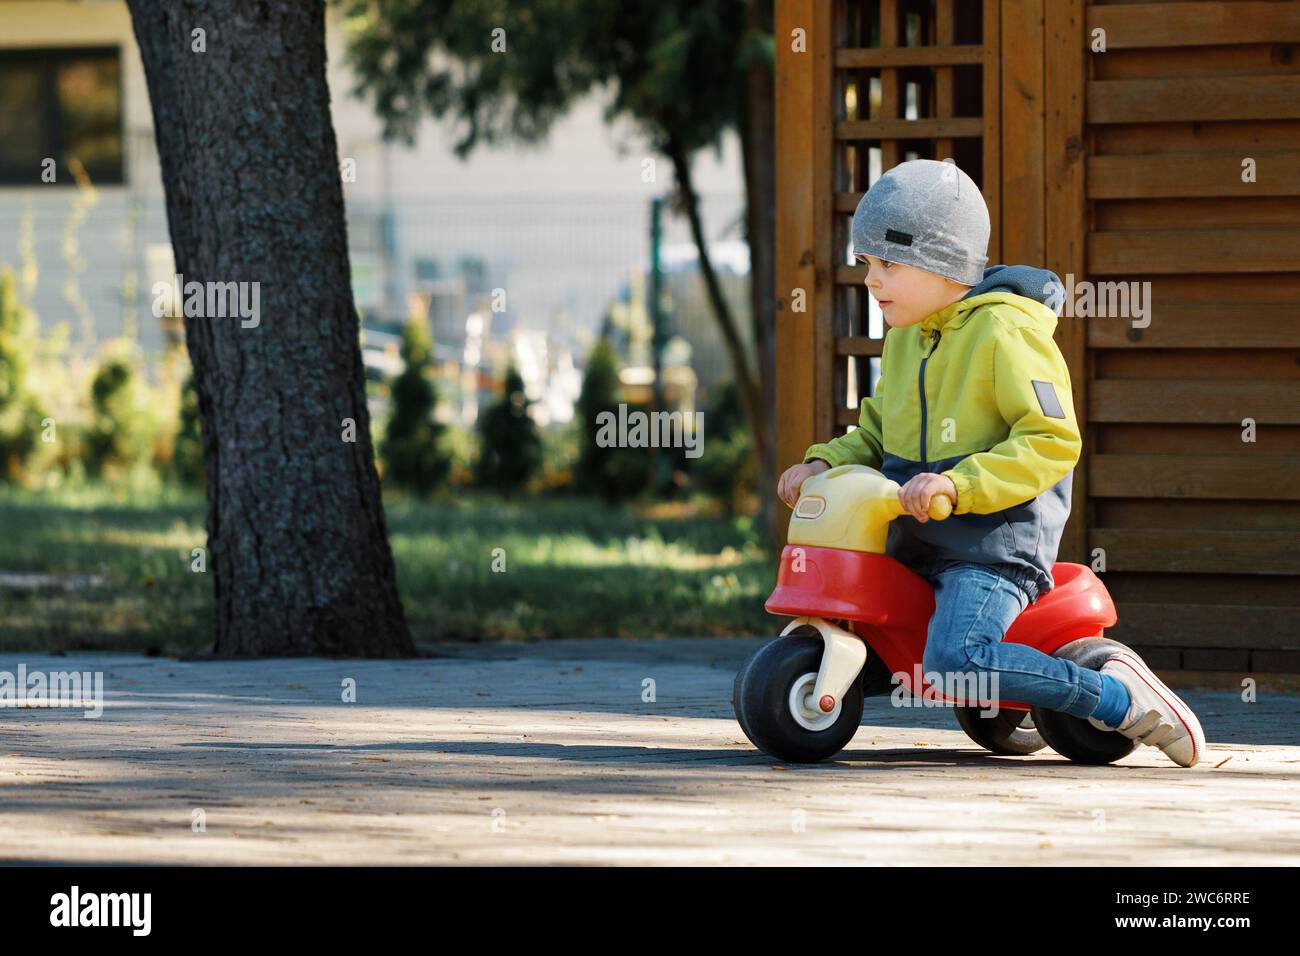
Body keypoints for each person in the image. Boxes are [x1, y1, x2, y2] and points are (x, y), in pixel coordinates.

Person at [776, 159, 1205, 767]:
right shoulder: (908, 335)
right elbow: (874, 432)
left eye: (888, 262)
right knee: (872, 624)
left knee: (958, 661)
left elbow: (1051, 440)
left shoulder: (1006, 332)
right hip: (917, 533)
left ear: (944, 261)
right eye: (866, 262)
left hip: (992, 542)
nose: (871, 279)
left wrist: (960, 484)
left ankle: (1115, 698)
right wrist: (823, 463)